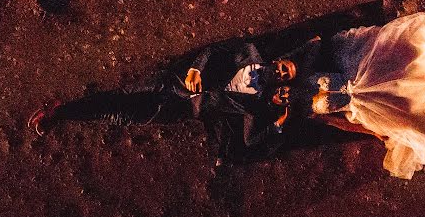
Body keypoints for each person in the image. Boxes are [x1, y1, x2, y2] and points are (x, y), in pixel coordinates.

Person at [288, 12, 425, 179]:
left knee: (418, 88)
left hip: (356, 93)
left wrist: (329, 119)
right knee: (418, 79)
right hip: (359, 85)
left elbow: (381, 126)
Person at [27, 38, 303, 166]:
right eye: (283, 67)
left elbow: (251, 141)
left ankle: (63, 114)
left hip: (182, 108)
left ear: (281, 82)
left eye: (284, 76)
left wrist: (277, 127)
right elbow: (212, 50)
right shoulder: (250, 53)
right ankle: (59, 111)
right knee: (122, 96)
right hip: (176, 82)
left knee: (122, 117)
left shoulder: (255, 103)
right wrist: (195, 69)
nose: (279, 72)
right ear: (278, 61)